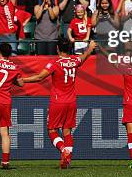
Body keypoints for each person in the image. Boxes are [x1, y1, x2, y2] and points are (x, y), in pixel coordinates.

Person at [23, 39, 97, 168]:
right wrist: (90, 48)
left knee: (51, 130)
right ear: (69, 49)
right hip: (71, 101)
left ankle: (64, 150)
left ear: (57, 48)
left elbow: (40, 77)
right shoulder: (74, 61)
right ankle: (67, 160)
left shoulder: (54, 63)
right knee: (67, 132)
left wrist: (22, 80)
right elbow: (84, 57)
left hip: (58, 101)